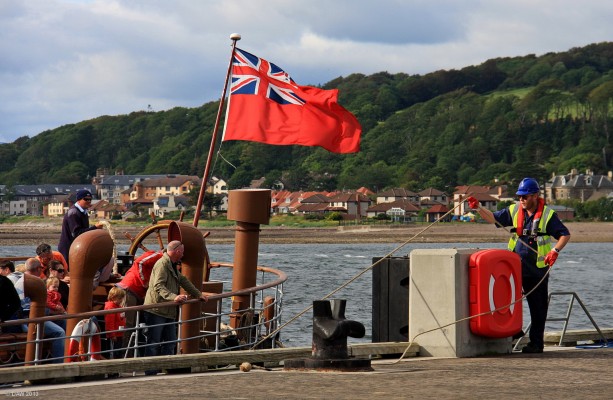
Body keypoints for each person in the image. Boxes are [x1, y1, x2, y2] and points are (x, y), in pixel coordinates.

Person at [467, 177, 571, 354]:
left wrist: (555, 251)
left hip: (537, 270)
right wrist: (478, 208)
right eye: (519, 196)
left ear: (535, 196)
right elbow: (493, 218)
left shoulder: (548, 215)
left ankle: (536, 344)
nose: (521, 200)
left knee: (538, 308)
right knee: (506, 300)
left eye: (525, 196)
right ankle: (515, 332)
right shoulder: (514, 210)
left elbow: (565, 235)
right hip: (514, 268)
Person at [143, 241, 208, 373]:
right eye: (182, 252)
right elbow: (158, 286)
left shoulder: (171, 265)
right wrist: (174, 297)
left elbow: (183, 280)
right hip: (156, 310)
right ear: (177, 251)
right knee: (154, 343)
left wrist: (197, 294)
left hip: (168, 311)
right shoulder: (162, 264)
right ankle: (150, 372)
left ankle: (169, 369)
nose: (183, 254)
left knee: (170, 342)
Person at [9, 258, 66, 363]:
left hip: (34, 316)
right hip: (27, 320)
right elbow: (28, 310)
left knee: (65, 321)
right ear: (38, 269)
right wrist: (53, 312)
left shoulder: (21, 278)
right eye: (41, 268)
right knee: (59, 332)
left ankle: (68, 356)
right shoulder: (32, 282)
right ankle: (58, 365)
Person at [116, 250, 164, 353]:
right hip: (129, 289)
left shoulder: (164, 263)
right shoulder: (158, 256)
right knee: (128, 324)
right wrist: (144, 281)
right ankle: (124, 354)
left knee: (134, 324)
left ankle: (131, 352)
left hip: (136, 293)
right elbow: (139, 262)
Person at [58, 189, 103, 265]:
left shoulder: (83, 212)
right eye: (86, 199)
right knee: (69, 272)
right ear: (79, 200)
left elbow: (83, 231)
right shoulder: (74, 213)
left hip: (77, 247)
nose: (89, 201)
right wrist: (95, 228)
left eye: (90, 199)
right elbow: (77, 233)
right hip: (68, 249)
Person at [104, 287, 126, 359]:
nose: (121, 300)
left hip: (119, 333)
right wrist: (112, 335)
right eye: (120, 299)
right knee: (113, 353)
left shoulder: (117, 306)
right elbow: (109, 323)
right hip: (114, 335)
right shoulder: (111, 308)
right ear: (113, 297)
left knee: (118, 352)